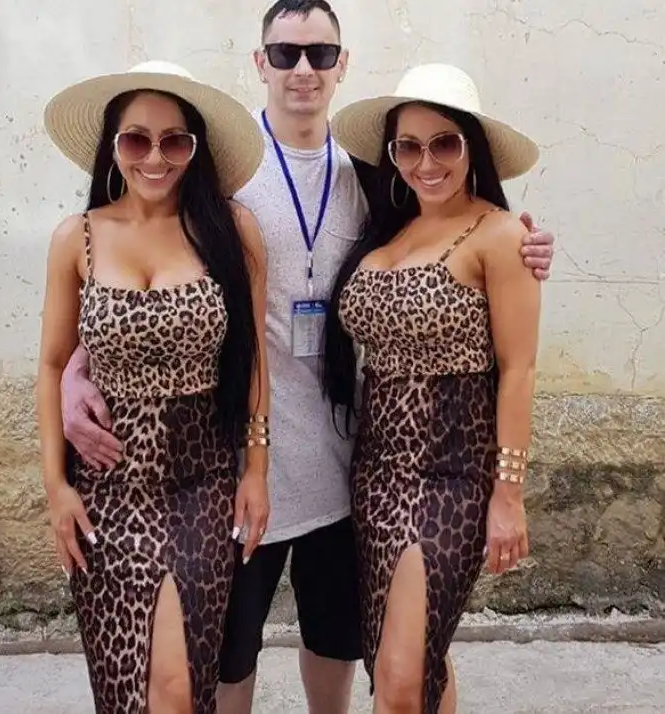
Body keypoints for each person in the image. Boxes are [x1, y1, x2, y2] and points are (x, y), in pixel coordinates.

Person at [59, 4, 556, 714]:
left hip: (349, 464)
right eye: (285, 53)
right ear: (259, 61)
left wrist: (524, 244)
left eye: (320, 54)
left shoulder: (376, 181)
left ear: (341, 65)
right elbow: (140, 276)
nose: (302, 69)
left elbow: (461, 249)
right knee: (228, 655)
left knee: (349, 644)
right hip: (236, 468)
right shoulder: (219, 179)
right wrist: (77, 366)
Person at [36, 60, 270, 714]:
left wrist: (257, 469)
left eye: (175, 141)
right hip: (105, 492)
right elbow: (51, 366)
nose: (156, 157)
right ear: (113, 147)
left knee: (178, 686)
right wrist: (55, 489)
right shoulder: (77, 238)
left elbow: (254, 359)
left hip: (200, 485)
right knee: (123, 689)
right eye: (137, 139)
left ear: (196, 148)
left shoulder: (231, 230)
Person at [322, 62, 543, 713]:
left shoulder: (500, 235)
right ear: (392, 155)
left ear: (472, 148)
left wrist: (508, 494)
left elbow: (520, 369)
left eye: (444, 143)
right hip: (375, 473)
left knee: (398, 676)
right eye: (409, 147)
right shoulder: (388, 226)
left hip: (452, 476)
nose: (427, 162)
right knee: (415, 657)